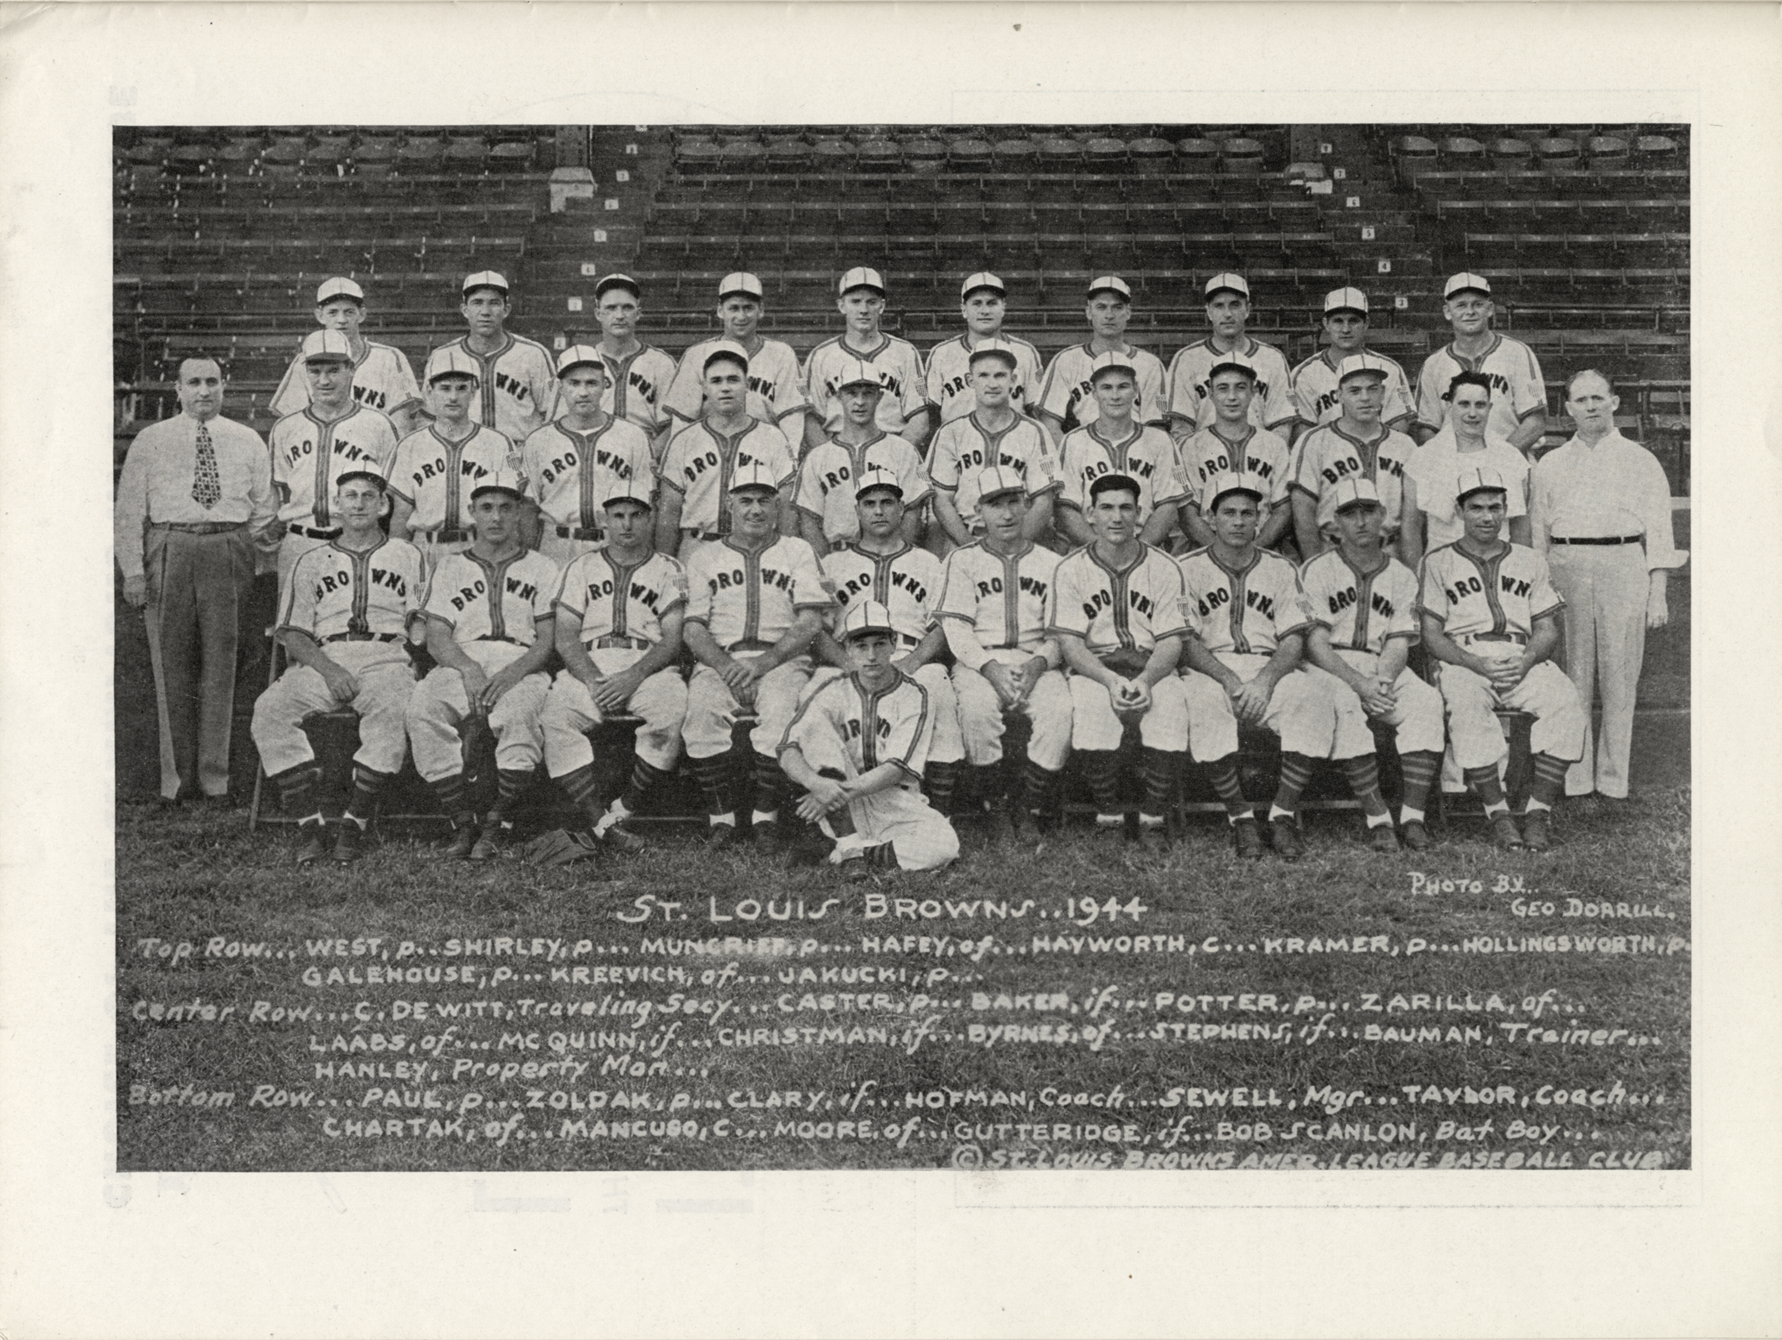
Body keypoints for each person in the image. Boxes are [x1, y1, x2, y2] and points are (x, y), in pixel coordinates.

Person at [115, 356, 277, 804]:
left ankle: (216, 778)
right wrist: (132, 570)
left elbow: (263, 508)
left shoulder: (246, 439)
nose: (203, 391)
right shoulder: (151, 440)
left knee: (223, 665)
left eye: (212, 382)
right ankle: (175, 781)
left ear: (225, 387)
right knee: (170, 666)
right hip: (170, 547)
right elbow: (129, 511)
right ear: (177, 390)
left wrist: (257, 558)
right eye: (194, 383)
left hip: (228, 547)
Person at [251, 471, 424, 864]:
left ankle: (354, 823)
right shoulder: (311, 559)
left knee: (395, 708)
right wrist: (330, 671)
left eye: (368, 496)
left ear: (383, 505)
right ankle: (310, 827)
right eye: (350, 496)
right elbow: (292, 633)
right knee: (270, 710)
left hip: (386, 656)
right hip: (324, 658)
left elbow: (420, 619)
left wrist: (416, 647)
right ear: (337, 505)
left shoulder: (408, 555)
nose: (359, 504)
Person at [1528, 369, 1686, 799]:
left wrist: (1658, 592)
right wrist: (1540, 592)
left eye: (1599, 397)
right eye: (1581, 400)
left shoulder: (1640, 460)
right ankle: (1575, 777)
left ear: (1615, 402)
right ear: (1568, 409)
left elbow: (1659, 530)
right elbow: (1538, 533)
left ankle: (1614, 779)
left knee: (1620, 675)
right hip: (1566, 565)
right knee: (1572, 674)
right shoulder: (1550, 464)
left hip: (1623, 563)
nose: (1591, 406)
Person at [1419, 467, 1586, 851]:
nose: (1487, 516)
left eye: (1495, 507)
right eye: (1476, 508)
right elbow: (1431, 635)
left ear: (1506, 509)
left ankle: (1537, 812)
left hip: (1518, 655)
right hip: (1465, 658)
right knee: (1465, 705)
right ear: (1460, 512)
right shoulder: (1438, 561)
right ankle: (1499, 814)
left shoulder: (1530, 560)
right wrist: (1473, 663)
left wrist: (1526, 661)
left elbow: (1546, 629)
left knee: (1565, 702)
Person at [1178, 473, 1334, 860]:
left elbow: (1293, 638)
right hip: (1210, 668)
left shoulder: (1281, 568)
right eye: (1228, 512)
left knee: (1312, 697)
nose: (1238, 521)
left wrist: (1264, 682)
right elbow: (1185, 640)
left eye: (1247, 513)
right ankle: (1241, 817)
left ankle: (1281, 815)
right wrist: (1229, 679)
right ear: (1211, 518)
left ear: (1260, 519)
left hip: (1269, 667)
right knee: (1201, 702)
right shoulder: (1185, 567)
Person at [405, 472, 560, 860]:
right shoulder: (451, 566)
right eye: (487, 508)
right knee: (423, 710)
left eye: (506, 509)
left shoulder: (542, 567)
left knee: (520, 715)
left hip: (519, 661)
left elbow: (548, 638)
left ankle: (496, 824)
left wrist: (513, 673)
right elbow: (438, 636)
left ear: (520, 514)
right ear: (472, 513)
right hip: (462, 659)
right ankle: (462, 824)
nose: (496, 518)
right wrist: (469, 669)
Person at [680, 462, 831, 849]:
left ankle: (766, 816)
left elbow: (810, 622)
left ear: (777, 506)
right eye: (745, 500)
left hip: (782, 659)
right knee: (700, 714)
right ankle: (722, 817)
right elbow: (693, 627)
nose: (755, 510)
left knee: (780, 715)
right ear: (730, 505)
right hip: (722, 660)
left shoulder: (797, 551)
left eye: (764, 500)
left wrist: (765, 663)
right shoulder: (703, 556)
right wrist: (727, 666)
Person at [537, 482, 688, 854]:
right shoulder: (580, 566)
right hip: (590, 662)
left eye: (636, 515)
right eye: (618, 515)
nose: (627, 525)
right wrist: (592, 680)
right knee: (556, 716)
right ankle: (602, 824)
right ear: (605, 520)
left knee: (672, 711)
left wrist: (632, 677)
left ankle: (622, 812)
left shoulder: (670, 568)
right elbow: (566, 637)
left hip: (647, 665)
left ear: (650, 518)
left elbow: (671, 640)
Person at [1299, 479, 1446, 852]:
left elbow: (1399, 639)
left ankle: (1412, 817)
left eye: (1369, 511)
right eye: (1350, 513)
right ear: (1335, 523)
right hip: (1330, 665)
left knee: (1426, 702)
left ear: (1383, 517)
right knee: (1345, 704)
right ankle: (1377, 816)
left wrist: (1382, 679)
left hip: (1382, 665)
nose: (1361, 521)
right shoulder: (1315, 569)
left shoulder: (1401, 575)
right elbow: (1314, 644)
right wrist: (1358, 684)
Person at [1047, 473, 1190, 852]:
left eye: (1126, 507)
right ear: (1090, 514)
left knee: (1171, 705)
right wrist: (1109, 681)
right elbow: (1071, 644)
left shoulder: (1165, 566)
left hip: (1151, 664)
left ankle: (1153, 817)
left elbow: (1171, 639)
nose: (1117, 517)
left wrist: (1146, 679)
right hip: (1095, 667)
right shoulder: (1070, 567)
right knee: (1093, 710)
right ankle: (1107, 815)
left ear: (1139, 514)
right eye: (1106, 508)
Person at [934, 466, 1072, 841]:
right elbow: (956, 630)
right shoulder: (962, 560)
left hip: (1036, 660)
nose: (1007, 514)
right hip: (980, 661)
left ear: (1027, 505)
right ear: (979, 511)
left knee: (1059, 713)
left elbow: (1063, 632)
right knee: (977, 713)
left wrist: (1039, 663)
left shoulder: (1053, 563)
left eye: (1013, 502)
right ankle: (995, 805)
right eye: (995, 505)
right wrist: (989, 666)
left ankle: (1026, 805)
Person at [778, 600, 962, 880]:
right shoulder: (833, 689)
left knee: (945, 844)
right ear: (848, 649)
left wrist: (833, 793)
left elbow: (896, 769)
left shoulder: (916, 694)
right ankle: (850, 846)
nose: (872, 655)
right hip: (838, 799)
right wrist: (817, 784)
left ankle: (856, 854)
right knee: (816, 728)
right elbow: (787, 748)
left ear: (894, 644)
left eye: (879, 644)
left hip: (890, 797)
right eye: (861, 646)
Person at [815, 468, 963, 813]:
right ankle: (833, 809)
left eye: (887, 503)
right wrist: (845, 663)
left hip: (911, 655)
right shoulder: (832, 563)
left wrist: (912, 662)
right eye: (869, 503)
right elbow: (817, 629)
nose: (878, 511)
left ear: (901, 509)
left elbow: (942, 625)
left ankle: (937, 812)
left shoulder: (928, 562)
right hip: (850, 658)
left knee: (936, 686)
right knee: (816, 693)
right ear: (858, 511)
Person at [265, 330, 400, 598]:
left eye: (333, 370)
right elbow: (277, 491)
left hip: (356, 540)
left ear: (351, 370)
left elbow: (393, 495)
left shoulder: (378, 424)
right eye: (315, 371)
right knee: (293, 630)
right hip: (298, 541)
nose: (324, 380)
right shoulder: (285, 427)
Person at [655, 341, 798, 561]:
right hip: (697, 548)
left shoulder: (773, 438)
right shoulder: (684, 440)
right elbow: (669, 512)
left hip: (756, 550)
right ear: (704, 387)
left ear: (747, 384)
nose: (725, 388)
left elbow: (786, 508)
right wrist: (664, 565)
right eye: (716, 381)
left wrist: (788, 559)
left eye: (733, 379)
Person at [388, 347, 523, 576]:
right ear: (430, 391)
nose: (452, 397)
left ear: (473, 392)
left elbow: (515, 511)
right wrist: (397, 563)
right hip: (425, 548)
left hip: (480, 547)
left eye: (461, 389)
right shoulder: (409, 445)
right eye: (445, 388)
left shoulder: (502, 443)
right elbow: (401, 515)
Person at [522, 345, 654, 566]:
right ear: (560, 387)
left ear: (605, 385)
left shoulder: (632, 436)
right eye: (574, 383)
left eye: (591, 383)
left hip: (613, 545)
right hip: (555, 546)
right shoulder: (538, 440)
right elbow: (528, 508)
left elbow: (647, 505)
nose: (583, 392)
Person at [928, 341, 1062, 553]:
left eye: (1000, 375)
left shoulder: (1035, 431)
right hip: (963, 539)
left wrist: (1012, 548)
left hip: (1021, 541)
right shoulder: (950, 432)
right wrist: (969, 547)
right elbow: (941, 500)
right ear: (970, 380)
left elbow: (1044, 502)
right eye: (984, 376)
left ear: (1013, 380)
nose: (992, 384)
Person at [794, 358, 930, 552]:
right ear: (839, 396)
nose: (860, 402)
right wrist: (826, 567)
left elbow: (912, 513)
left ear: (880, 397)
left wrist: (898, 558)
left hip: (891, 554)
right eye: (852, 393)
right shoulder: (818, 457)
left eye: (868, 394)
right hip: (837, 556)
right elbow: (809, 521)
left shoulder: (903, 450)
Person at [663, 272, 809, 453]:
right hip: (710, 452)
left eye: (748, 307)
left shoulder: (781, 355)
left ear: (761, 310)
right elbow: (682, 423)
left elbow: (791, 423)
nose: (741, 316)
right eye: (733, 308)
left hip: (765, 452)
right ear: (720, 310)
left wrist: (787, 462)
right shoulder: (696, 355)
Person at [1400, 370, 1532, 569]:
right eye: (1464, 404)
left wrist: (1520, 572)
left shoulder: (1511, 458)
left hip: (1498, 568)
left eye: (1480, 405)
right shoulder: (1423, 458)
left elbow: (1520, 526)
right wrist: (1418, 577)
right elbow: (1411, 526)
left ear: (1490, 408)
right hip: (1442, 566)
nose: (1472, 413)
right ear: (1449, 406)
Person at [1289, 353, 1415, 561]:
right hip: (1333, 552)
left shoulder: (1404, 445)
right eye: (1355, 391)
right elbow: (1303, 515)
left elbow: (1413, 520)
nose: (1365, 398)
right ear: (1339, 394)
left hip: (1391, 554)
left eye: (1372, 389)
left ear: (1383, 393)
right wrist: (1314, 566)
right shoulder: (1313, 441)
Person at [1055, 351, 1186, 550]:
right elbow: (1066, 509)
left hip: (1146, 549)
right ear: (1093, 392)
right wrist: (1101, 552)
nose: (1115, 396)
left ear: (1135, 390)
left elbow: (1168, 507)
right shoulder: (1073, 441)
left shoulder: (1160, 441)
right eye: (1106, 388)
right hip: (1088, 550)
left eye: (1123, 387)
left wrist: (1137, 551)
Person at [268, 276, 422, 438]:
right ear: (320, 316)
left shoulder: (391, 358)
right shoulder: (304, 362)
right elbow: (292, 424)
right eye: (333, 313)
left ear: (361, 314)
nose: (341, 320)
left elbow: (402, 423)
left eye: (349, 312)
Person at [801, 266, 930, 454]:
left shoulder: (905, 352)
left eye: (871, 302)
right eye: (855, 301)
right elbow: (809, 420)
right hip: (836, 448)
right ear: (841, 306)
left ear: (882, 306)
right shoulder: (821, 355)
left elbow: (920, 420)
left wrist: (896, 458)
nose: (864, 310)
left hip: (892, 447)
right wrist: (832, 460)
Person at [1413, 273, 1547, 451]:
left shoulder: (1517, 353)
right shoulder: (1434, 364)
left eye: (1478, 304)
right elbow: (1425, 427)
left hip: (1509, 461)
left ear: (1490, 309)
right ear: (1447, 312)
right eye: (1461, 305)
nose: (1470, 312)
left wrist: (1499, 457)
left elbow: (1536, 420)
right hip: (1452, 467)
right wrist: (1447, 460)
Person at [1174, 354, 1294, 552]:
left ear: (1254, 392)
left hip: (1264, 549)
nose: (1232, 397)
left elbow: (1283, 511)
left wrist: (1253, 552)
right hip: (1203, 550)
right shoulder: (1190, 447)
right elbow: (1187, 515)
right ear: (1210, 394)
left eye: (1240, 387)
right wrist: (1221, 554)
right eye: (1223, 388)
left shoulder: (1276, 446)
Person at [1033, 276, 1168, 447]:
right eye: (1101, 307)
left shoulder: (1150, 364)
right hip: (1081, 456)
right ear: (1089, 312)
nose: (1109, 315)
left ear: (1128, 312)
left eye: (1117, 307)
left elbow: (1156, 429)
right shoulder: (1066, 360)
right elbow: (1050, 425)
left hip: (1136, 456)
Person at [1164, 273, 1296, 445]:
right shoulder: (1187, 359)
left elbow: (1282, 427)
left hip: (1259, 462)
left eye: (1235, 305)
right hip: (1205, 461)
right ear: (1209, 312)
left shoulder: (1273, 358)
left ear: (1247, 309)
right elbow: (1180, 429)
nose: (1227, 314)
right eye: (1219, 306)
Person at [432, 271, 557, 446]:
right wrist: (451, 442)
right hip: (464, 453)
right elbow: (429, 416)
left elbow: (554, 412)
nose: (485, 311)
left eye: (494, 303)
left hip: (517, 453)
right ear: (464, 310)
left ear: (506, 310)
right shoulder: (443, 356)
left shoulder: (533, 353)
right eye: (477, 303)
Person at [1287, 287, 1415, 445]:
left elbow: (1398, 428)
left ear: (1366, 323)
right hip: (1327, 460)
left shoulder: (1389, 369)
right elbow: (1304, 436)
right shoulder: (1305, 373)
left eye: (1353, 321)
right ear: (1326, 324)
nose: (1346, 329)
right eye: (1338, 321)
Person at [924, 272, 1045, 427]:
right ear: (963, 310)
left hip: (1012, 445)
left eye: (992, 303)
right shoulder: (941, 353)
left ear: (1003, 308)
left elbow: (1036, 412)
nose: (984, 311)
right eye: (977, 303)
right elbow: (929, 413)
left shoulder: (1026, 352)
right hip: (958, 444)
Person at [586, 273, 679, 462]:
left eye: (627, 308)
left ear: (638, 313)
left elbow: (673, 425)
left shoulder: (661, 363)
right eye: (611, 308)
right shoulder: (581, 362)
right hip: (591, 455)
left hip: (646, 457)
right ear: (598, 314)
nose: (619, 315)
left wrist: (648, 455)